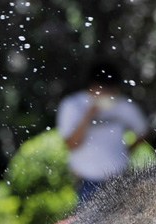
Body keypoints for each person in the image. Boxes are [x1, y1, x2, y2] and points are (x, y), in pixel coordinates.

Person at [56, 61, 148, 203]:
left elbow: (143, 132)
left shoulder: (123, 105)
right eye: (103, 89)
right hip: (87, 181)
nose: (108, 94)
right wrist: (89, 116)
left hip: (119, 178)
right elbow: (71, 144)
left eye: (111, 90)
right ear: (92, 87)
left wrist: (127, 150)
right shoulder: (73, 105)